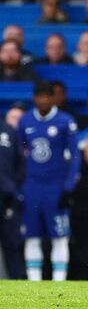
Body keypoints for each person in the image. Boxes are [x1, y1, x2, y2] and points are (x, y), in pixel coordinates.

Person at [18, 82, 78, 281]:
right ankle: (33, 281)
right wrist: (20, 186)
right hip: (32, 186)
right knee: (31, 234)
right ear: (34, 98)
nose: (43, 100)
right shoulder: (25, 121)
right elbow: (19, 155)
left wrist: (68, 187)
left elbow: (75, 156)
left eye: (46, 96)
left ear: (53, 98)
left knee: (60, 235)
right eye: (39, 96)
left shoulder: (65, 121)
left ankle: (59, 280)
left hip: (56, 186)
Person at [0, 112, 23, 279]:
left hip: (7, 197)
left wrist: (12, 188)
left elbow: (21, 163)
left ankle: (18, 283)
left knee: (12, 245)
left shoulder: (9, 131)